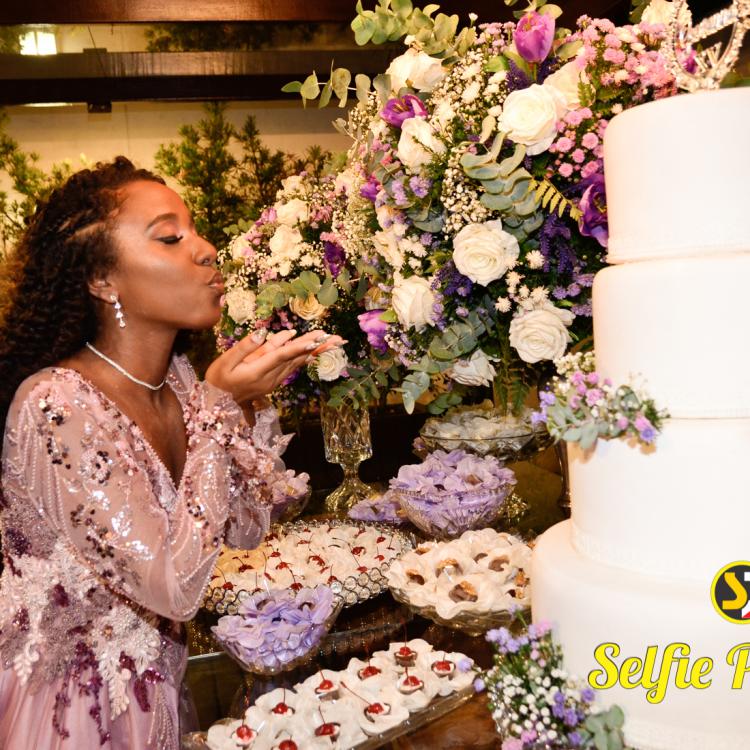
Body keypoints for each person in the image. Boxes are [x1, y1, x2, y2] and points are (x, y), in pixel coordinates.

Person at [0, 157, 343, 749]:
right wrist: (219, 407)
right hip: (73, 714)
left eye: (195, 230)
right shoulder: (54, 404)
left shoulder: (181, 382)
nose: (206, 250)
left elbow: (245, 531)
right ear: (101, 278)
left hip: (161, 690)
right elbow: (174, 587)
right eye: (169, 237)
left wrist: (243, 408)